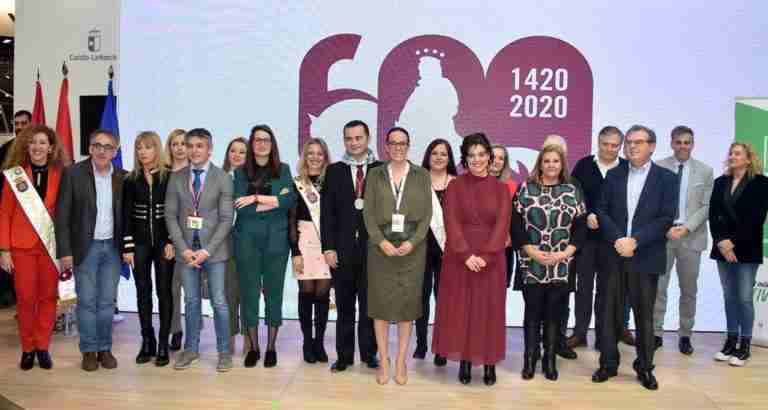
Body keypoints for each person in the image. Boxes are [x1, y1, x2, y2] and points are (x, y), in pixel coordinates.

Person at [593, 125, 677, 390]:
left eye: (638, 142)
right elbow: (602, 210)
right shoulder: (614, 174)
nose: (631, 146)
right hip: (614, 253)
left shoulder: (667, 178)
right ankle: (608, 364)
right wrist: (619, 239)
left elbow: (666, 218)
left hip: (646, 255)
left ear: (652, 146)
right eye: (629, 142)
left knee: (644, 317)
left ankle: (645, 367)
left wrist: (635, 241)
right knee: (608, 313)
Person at [432, 133, 512, 386]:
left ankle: (489, 363)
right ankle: (465, 361)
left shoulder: (501, 189)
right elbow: (451, 222)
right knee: (462, 311)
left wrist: (486, 256)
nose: (477, 160)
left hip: (492, 259)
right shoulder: (455, 186)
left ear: (489, 157)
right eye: (471, 155)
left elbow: (502, 226)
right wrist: (466, 255)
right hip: (459, 258)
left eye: (481, 154)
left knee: (489, 311)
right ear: (465, 158)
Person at [363, 127, 432, 385]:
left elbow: (427, 214)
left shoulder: (421, 175)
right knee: (380, 306)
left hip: (412, 250)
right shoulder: (375, 174)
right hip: (380, 249)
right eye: (393, 143)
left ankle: (401, 360)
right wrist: (380, 241)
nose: (398, 147)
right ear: (386, 146)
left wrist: (413, 242)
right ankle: (384, 359)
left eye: (402, 143)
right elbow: (368, 213)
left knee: (407, 307)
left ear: (408, 146)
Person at [512, 143, 586, 381]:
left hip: (561, 263)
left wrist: (566, 253)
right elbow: (515, 224)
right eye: (547, 161)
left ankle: (550, 360)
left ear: (562, 164)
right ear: (540, 165)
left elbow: (581, 226)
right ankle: (530, 358)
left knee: (554, 314)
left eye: (556, 161)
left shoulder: (572, 190)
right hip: (532, 261)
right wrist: (529, 250)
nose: (551, 165)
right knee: (532, 313)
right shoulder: (526, 188)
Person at [56, 129, 127, 371]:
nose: (102, 151)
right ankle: (88, 350)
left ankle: (104, 349)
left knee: (107, 303)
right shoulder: (73, 173)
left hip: (113, 248)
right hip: (85, 248)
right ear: (90, 148)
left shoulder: (123, 177)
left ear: (115, 152)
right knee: (86, 302)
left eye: (108, 147)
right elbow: (62, 216)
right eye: (97, 145)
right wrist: (65, 251)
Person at [0, 125, 68, 370]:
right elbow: (5, 213)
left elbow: (66, 213)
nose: (37, 147)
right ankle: (27, 348)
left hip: (51, 246)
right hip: (21, 247)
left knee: (48, 297)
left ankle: (42, 346)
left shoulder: (62, 175)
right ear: (26, 146)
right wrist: (4, 250)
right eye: (32, 142)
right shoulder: (15, 175)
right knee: (26, 299)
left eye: (42, 142)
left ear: (51, 148)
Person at [165, 128, 234, 372]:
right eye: (190, 145)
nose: (193, 150)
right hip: (186, 252)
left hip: (214, 252)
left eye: (199, 146)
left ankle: (224, 352)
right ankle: (191, 349)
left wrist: (207, 251)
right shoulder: (176, 178)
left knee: (219, 302)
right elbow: (170, 216)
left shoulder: (223, 178)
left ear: (209, 149)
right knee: (191, 301)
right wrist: (183, 249)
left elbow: (226, 219)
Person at [233, 125, 295, 368]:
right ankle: (254, 348)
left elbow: (289, 200)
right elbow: (241, 207)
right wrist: (274, 201)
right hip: (247, 241)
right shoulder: (240, 172)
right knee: (249, 294)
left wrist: (257, 197)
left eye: (266, 140)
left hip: (276, 242)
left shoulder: (284, 169)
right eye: (257, 140)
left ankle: (270, 347)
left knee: (274, 294)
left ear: (272, 144)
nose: (261, 144)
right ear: (252, 144)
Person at [320, 120, 381, 372]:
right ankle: (344, 356)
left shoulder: (380, 169)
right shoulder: (334, 171)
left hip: (373, 250)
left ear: (368, 138)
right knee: (344, 306)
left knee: (369, 306)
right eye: (349, 138)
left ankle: (369, 354)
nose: (354, 143)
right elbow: (327, 213)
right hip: (342, 251)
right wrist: (328, 248)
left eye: (358, 138)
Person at [653, 126, 713, 355]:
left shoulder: (705, 171)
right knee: (659, 288)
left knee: (689, 290)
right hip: (664, 236)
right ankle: (656, 333)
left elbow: (706, 206)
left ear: (693, 144)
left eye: (687, 142)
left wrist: (686, 228)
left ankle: (685, 335)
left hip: (691, 237)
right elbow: (653, 202)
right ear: (671, 143)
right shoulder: (658, 167)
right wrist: (666, 227)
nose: (682, 146)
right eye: (678, 142)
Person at [566, 126, 627, 350]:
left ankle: (604, 336)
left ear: (620, 146)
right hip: (586, 238)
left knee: (608, 290)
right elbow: (573, 196)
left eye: (614, 145)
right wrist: (587, 215)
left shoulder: (627, 168)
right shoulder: (583, 165)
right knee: (583, 288)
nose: (609, 149)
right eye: (605, 144)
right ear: (598, 142)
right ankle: (580, 333)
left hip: (614, 240)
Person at [709, 142, 768, 367]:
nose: (733, 156)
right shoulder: (720, 182)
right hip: (722, 248)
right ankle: (730, 341)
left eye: (738, 153)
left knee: (744, 298)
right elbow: (713, 215)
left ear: (748, 158)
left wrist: (732, 243)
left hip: (747, 248)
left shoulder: (761, 183)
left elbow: (756, 218)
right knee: (729, 297)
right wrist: (722, 242)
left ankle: (745, 345)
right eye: (731, 153)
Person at [121, 131, 175, 366]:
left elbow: (177, 212)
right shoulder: (130, 180)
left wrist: (172, 240)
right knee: (142, 291)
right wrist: (128, 247)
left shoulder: (169, 177)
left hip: (164, 243)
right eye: (139, 147)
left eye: (148, 147)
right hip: (139, 244)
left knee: (164, 292)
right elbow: (125, 215)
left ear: (157, 149)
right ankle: (147, 340)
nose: (143, 152)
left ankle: (163, 342)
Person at [413, 138, 456, 366]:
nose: (439, 157)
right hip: (420, 249)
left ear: (449, 159)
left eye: (444, 154)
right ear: (428, 156)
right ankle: (421, 343)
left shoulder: (457, 183)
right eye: (435, 153)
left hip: (448, 250)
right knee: (421, 299)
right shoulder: (417, 180)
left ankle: (442, 347)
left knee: (444, 301)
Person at [290, 138, 332, 364]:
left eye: (319, 153)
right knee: (306, 294)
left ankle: (319, 342)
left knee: (323, 295)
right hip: (304, 241)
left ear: (325, 157)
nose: (315, 157)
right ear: (305, 157)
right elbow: (290, 220)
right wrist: (295, 252)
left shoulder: (332, 182)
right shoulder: (297, 184)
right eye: (310, 153)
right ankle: (307, 342)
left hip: (327, 243)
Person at [0, 110, 32, 309]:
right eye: (16, 123)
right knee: (8, 253)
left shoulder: (39, 147)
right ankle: (7, 295)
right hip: (11, 210)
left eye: (23, 123)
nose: (19, 127)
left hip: (35, 213)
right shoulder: (5, 149)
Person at [222, 137, 248, 355]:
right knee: (228, 292)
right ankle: (228, 339)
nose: (237, 155)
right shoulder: (218, 178)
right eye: (233, 151)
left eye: (242, 152)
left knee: (248, 292)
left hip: (248, 240)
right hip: (225, 241)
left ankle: (250, 339)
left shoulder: (253, 180)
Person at [165, 128, 188, 351]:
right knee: (172, 289)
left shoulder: (197, 172)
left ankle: (194, 331)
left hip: (192, 241)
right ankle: (175, 329)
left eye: (183, 143)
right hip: (167, 242)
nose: (180, 148)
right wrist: (169, 239)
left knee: (192, 291)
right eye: (175, 144)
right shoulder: (163, 174)